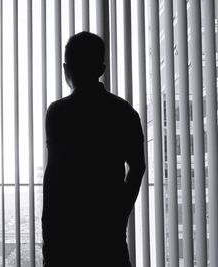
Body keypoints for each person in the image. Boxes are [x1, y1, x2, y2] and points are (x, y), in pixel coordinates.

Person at [42, 31, 146, 267]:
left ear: (65, 69)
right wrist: (120, 213)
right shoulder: (124, 112)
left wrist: (49, 241)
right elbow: (138, 166)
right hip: (108, 237)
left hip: (66, 239)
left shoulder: (58, 113)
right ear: (102, 69)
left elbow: (54, 179)